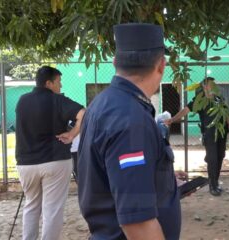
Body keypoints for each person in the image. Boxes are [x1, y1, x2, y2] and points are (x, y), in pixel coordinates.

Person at [78, 23, 181, 240]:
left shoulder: (102, 103)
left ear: (116, 62)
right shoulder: (131, 119)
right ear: (161, 65)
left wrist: (163, 180)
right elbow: (138, 224)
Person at [15, 66, 85, 240]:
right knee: (52, 210)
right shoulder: (57, 100)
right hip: (55, 161)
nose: (60, 86)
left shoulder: (22, 100)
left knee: (31, 206)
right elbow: (84, 113)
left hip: (26, 163)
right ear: (49, 83)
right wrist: (72, 134)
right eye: (58, 82)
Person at [166, 77, 229, 196]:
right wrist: (172, 119)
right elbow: (185, 110)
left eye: (214, 84)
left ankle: (215, 182)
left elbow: (227, 113)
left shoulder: (219, 99)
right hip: (209, 134)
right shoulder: (199, 100)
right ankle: (212, 185)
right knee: (212, 159)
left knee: (220, 156)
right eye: (210, 84)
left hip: (222, 134)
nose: (213, 86)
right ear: (204, 86)